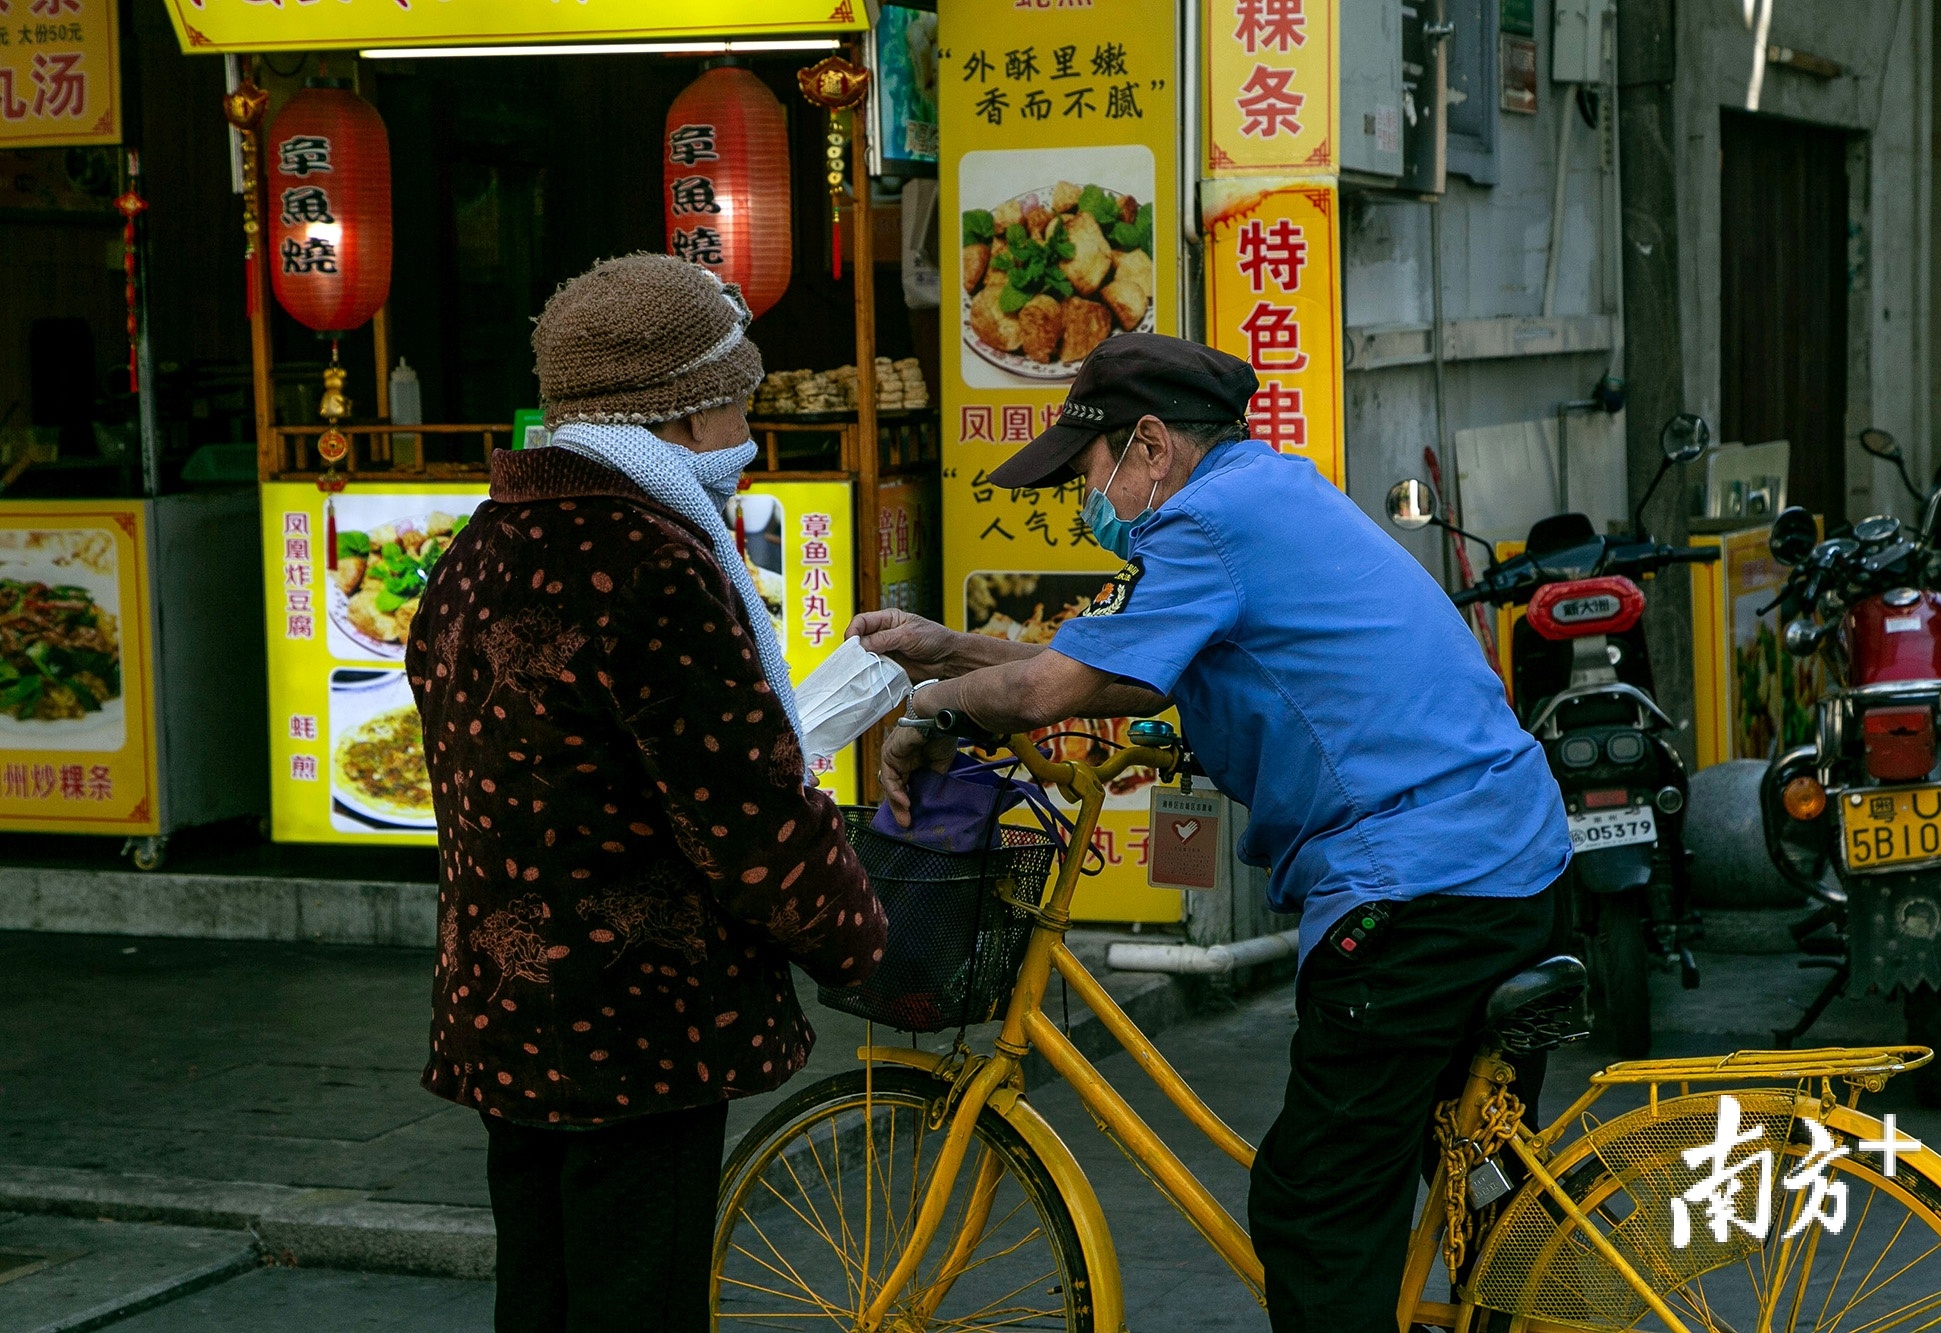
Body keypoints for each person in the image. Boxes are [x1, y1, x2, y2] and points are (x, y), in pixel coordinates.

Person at [854, 333, 1571, 1333]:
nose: (1080, 499)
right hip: (1504, 852)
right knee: (1479, 1183)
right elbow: (1113, 668)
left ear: (1147, 445)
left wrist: (931, 707)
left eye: (1083, 472)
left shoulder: (1204, 522)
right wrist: (946, 647)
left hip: (1416, 885)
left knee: (1312, 1208)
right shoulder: (1263, 494)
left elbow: (1047, 687)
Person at [406, 253, 885, 1333]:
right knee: (637, 1299)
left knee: (541, 1290)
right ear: (686, 407)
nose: (745, 429)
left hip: (507, 997)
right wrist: (860, 940)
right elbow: (743, 811)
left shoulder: (480, 547)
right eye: (740, 402)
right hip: (637, 1013)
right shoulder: (649, 558)